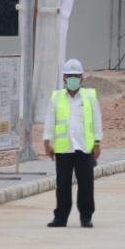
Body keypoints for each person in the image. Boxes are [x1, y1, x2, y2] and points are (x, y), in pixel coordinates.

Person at [43, 59, 103, 228]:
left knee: (86, 185)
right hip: (64, 148)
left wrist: (97, 142)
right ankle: (60, 218)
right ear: (64, 77)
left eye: (76, 76)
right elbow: (50, 120)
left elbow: (97, 120)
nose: (73, 79)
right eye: (70, 75)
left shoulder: (89, 97)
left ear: (81, 78)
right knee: (63, 185)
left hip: (84, 147)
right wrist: (47, 141)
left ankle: (86, 217)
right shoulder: (56, 97)